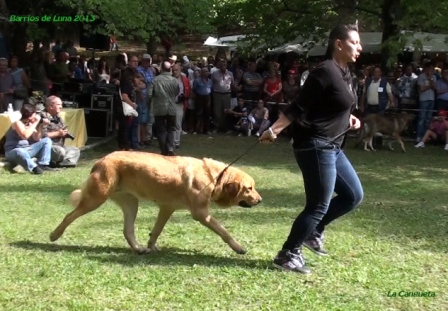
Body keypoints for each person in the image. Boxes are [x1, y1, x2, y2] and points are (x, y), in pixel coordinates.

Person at [259, 24, 364, 274]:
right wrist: (274, 129)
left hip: (333, 146)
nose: (360, 48)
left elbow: (334, 104)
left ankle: (313, 232)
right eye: (355, 43)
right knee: (318, 205)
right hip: (315, 146)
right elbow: (299, 106)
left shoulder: (345, 72)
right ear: (338, 44)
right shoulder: (324, 71)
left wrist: (349, 117)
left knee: (353, 196)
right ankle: (288, 254)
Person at [3, 104, 54, 174]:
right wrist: (35, 123)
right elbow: (25, 135)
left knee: (46, 140)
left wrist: (41, 126)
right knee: (20, 151)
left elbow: (37, 138)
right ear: (29, 115)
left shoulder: (30, 124)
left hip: (27, 149)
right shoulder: (17, 123)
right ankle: (34, 168)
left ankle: (43, 165)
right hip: (13, 151)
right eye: (34, 114)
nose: (35, 116)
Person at [147, 61, 179, 156]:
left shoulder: (155, 80)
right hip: (172, 108)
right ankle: (170, 148)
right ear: (170, 69)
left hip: (159, 108)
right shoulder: (174, 80)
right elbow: (177, 92)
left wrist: (148, 104)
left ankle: (163, 150)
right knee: (171, 129)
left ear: (161, 68)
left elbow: (149, 94)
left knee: (161, 130)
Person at [42, 96, 80, 167]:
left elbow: (62, 129)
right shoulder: (42, 117)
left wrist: (64, 133)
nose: (61, 107)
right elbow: (40, 136)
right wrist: (57, 133)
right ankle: (57, 161)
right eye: (58, 105)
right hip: (48, 147)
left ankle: (63, 163)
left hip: (59, 146)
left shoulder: (57, 117)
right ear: (50, 106)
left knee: (75, 150)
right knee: (60, 151)